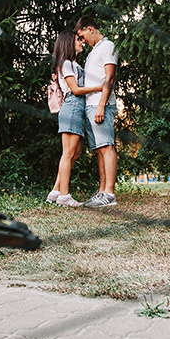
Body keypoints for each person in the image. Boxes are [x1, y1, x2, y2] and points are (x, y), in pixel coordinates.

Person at [47, 29, 105, 207]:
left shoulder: (73, 64)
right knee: (68, 153)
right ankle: (64, 196)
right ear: (68, 43)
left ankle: (55, 192)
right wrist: (100, 87)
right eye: (77, 40)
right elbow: (76, 90)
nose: (81, 42)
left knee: (75, 153)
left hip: (77, 109)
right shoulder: (66, 64)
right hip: (72, 106)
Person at [75, 16, 118, 207]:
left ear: (90, 28)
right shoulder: (94, 51)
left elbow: (109, 78)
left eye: (82, 35)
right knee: (99, 149)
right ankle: (102, 192)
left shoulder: (108, 46)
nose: (82, 40)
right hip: (90, 105)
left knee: (107, 146)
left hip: (102, 105)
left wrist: (101, 104)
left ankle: (109, 193)